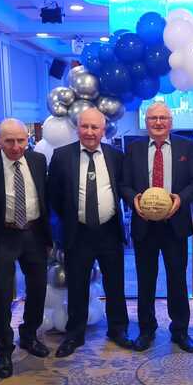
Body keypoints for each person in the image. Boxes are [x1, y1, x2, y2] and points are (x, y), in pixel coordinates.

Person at [47, 107, 133, 357]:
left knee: (115, 284)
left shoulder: (116, 156)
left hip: (109, 231)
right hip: (78, 233)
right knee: (76, 285)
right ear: (77, 128)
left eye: (95, 127)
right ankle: (75, 334)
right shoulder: (62, 156)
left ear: (103, 130)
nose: (89, 132)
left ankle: (118, 329)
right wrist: (67, 223)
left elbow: (122, 188)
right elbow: (53, 196)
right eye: (85, 126)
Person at [120, 102, 193, 353]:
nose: (158, 122)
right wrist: (133, 199)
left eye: (163, 118)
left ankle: (180, 331)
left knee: (177, 280)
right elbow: (124, 184)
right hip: (144, 225)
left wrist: (181, 199)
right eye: (153, 118)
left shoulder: (187, 147)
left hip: (174, 225)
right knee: (145, 280)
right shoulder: (133, 149)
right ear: (146, 122)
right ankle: (147, 329)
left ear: (171, 122)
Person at [0, 118, 53, 378]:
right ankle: (4, 349)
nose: (17, 146)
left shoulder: (38, 161)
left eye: (21, 140)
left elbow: (45, 199)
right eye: (9, 141)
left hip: (34, 234)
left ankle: (29, 335)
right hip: (2, 237)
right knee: (3, 294)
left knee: (38, 288)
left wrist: (48, 239)